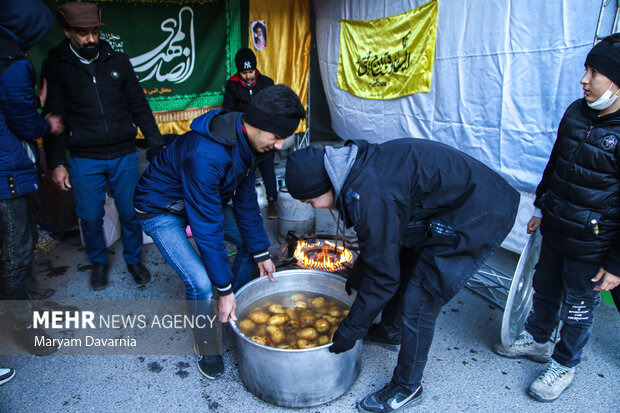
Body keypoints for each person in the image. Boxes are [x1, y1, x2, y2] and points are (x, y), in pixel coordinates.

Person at [285, 139, 519, 413]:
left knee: (421, 299)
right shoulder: (354, 168)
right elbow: (383, 247)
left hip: (479, 211)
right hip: (446, 205)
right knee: (405, 257)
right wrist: (359, 275)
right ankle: (390, 331)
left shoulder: (369, 192)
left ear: (323, 185)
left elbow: (383, 276)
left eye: (310, 200)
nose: (313, 206)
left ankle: (407, 387)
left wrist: (351, 329)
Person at [134, 84, 306, 380]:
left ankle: (230, 308)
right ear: (258, 125)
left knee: (251, 248)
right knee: (200, 282)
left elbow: (246, 200)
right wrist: (221, 286)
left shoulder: (250, 143)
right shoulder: (207, 154)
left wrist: (261, 251)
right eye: (277, 137)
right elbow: (207, 227)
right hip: (161, 208)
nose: (279, 146)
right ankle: (206, 341)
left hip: (200, 198)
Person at [495, 34, 620, 402]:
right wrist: (539, 207)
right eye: (586, 70)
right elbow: (556, 165)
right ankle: (537, 339)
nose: (584, 80)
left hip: (592, 242)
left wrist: (615, 264)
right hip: (556, 225)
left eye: (594, 72)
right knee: (544, 286)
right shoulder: (576, 112)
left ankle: (564, 363)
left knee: (579, 306)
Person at [43, 2, 163, 291]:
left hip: (123, 153)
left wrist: (156, 143)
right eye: (82, 34)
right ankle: (98, 262)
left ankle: (134, 259)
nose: (91, 39)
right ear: (67, 31)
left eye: (95, 32)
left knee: (130, 211)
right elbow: (53, 119)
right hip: (85, 157)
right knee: (89, 215)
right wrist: (58, 163)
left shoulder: (118, 61)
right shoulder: (56, 65)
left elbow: (139, 105)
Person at [0, 0, 62, 356]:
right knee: (17, 252)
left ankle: (34, 314)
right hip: (6, 171)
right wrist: (46, 123)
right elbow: (22, 122)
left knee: (20, 246)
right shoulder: (12, 63)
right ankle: (25, 327)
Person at [222, 48, 278, 219]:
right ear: (239, 72)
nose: (248, 76)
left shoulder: (266, 83)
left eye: (251, 71)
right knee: (246, 171)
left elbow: (275, 107)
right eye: (244, 73)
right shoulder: (232, 86)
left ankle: (272, 202)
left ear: (256, 69)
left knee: (268, 169)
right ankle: (247, 207)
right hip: (244, 137)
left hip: (265, 135)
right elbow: (228, 112)